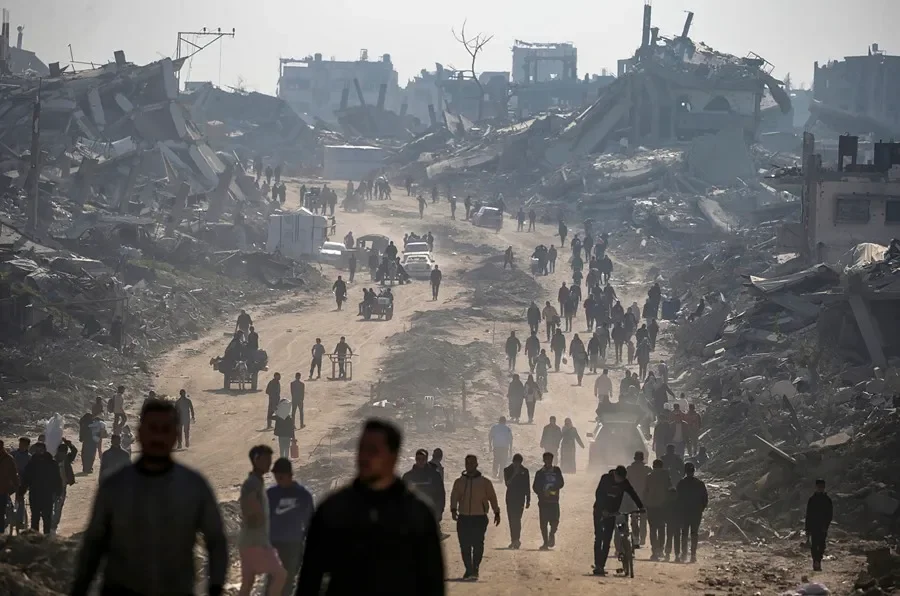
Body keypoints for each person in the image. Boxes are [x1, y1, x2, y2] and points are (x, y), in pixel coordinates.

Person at [70, 399, 227, 596]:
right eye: (152, 428)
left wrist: (215, 588)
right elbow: (93, 546)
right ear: (140, 433)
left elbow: (216, 542)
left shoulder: (193, 487)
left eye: (165, 429)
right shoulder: (115, 486)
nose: (158, 436)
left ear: (176, 434)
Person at [298, 419, 444, 594]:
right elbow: (310, 577)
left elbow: (433, 581)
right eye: (362, 449)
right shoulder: (334, 509)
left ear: (393, 457)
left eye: (373, 450)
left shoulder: (417, 512)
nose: (365, 457)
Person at [238, 445, 287, 596]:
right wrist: (259, 518)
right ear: (256, 460)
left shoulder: (256, 482)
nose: (269, 463)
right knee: (280, 575)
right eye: (266, 459)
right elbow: (250, 508)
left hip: (248, 541)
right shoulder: (253, 483)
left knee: (247, 583)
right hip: (256, 543)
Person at [266, 458, 314, 596]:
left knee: (287, 581)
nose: (278, 480)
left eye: (281, 476)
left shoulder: (302, 495)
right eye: (276, 477)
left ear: (290, 475)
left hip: (293, 545)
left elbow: (310, 521)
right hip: (273, 545)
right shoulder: (270, 495)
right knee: (272, 581)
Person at [450, 454, 501, 581]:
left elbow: (492, 497)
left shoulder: (485, 482)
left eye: (472, 463)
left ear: (477, 464)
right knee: (464, 545)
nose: (469, 465)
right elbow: (454, 496)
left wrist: (496, 512)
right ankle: (468, 569)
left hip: (479, 517)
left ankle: (475, 568)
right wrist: (453, 509)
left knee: (478, 544)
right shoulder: (459, 482)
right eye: (467, 463)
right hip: (463, 517)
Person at [592, 465, 644, 576]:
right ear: (615, 474)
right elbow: (599, 495)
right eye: (619, 478)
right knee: (599, 537)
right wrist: (603, 510)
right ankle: (597, 565)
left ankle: (601, 565)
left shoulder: (624, 482)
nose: (620, 481)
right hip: (599, 512)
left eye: (622, 479)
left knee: (607, 539)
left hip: (612, 513)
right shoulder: (605, 479)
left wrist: (641, 506)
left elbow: (632, 493)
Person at [21, 441, 60, 534]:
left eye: (41, 449)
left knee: (47, 517)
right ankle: (35, 538)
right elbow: (26, 479)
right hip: (35, 494)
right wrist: (21, 491)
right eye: (37, 449)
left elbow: (57, 478)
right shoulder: (32, 463)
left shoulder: (52, 463)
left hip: (47, 494)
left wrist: (58, 492)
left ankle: (46, 537)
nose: (39, 451)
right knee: (35, 517)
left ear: (44, 450)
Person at [674, 462, 707, 563]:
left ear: (685, 471)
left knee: (684, 533)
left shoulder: (681, 483)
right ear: (694, 471)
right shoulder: (700, 484)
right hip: (696, 512)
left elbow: (676, 499)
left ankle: (684, 554)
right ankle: (693, 555)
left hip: (684, 512)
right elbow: (705, 499)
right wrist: (700, 509)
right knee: (694, 533)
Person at [402, 448, 446, 522]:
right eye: (418, 459)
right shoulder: (408, 476)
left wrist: (439, 511)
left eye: (423, 459)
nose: (421, 461)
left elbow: (441, 494)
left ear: (426, 459)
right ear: (415, 459)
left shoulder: (435, 475)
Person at [533, 452, 565, 550]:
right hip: (543, 502)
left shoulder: (556, 471)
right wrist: (542, 493)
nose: (548, 461)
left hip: (554, 501)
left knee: (555, 521)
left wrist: (551, 489)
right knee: (543, 523)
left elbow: (561, 483)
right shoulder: (540, 473)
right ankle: (545, 543)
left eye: (550, 459)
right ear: (543, 460)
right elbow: (535, 487)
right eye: (546, 459)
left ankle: (552, 534)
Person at [643, 458, 673, 561]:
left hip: (651, 506)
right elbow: (670, 489)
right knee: (661, 528)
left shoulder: (649, 477)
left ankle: (654, 551)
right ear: (662, 466)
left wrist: (644, 503)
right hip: (663, 506)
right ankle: (661, 549)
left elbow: (645, 491)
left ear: (653, 466)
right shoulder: (666, 476)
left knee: (652, 529)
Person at [503, 454, 530, 549]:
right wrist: (514, 473)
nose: (517, 464)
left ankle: (517, 539)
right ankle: (513, 540)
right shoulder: (507, 470)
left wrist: (528, 500)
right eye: (516, 462)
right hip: (510, 498)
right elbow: (507, 483)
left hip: (520, 499)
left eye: (519, 463)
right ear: (513, 461)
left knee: (517, 519)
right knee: (511, 519)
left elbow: (527, 486)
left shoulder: (525, 471)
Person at [624, 451, 650, 549]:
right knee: (643, 519)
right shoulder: (647, 469)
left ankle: (636, 537)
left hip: (633, 498)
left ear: (634, 458)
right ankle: (642, 538)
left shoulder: (629, 469)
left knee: (634, 518)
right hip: (644, 497)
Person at [806, 478, 833, 571]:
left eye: (822, 487)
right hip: (814, 526)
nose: (820, 488)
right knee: (814, 545)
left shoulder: (827, 500)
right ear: (816, 487)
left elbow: (830, 514)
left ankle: (818, 560)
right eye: (819, 487)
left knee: (821, 545)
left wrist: (826, 525)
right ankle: (815, 561)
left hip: (823, 526)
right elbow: (808, 515)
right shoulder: (812, 499)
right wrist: (807, 528)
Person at [0, 440, 20, 533]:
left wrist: (17, 487)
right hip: (3, 489)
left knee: (1, 514)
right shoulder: (8, 459)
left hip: (3, 490)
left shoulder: (8, 459)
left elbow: (13, 475)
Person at [11, 437, 30, 530]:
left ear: (27, 446)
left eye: (23, 444)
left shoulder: (29, 457)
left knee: (20, 499)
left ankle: (19, 520)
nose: (21, 446)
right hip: (11, 480)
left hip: (23, 482)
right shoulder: (13, 454)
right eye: (20, 444)